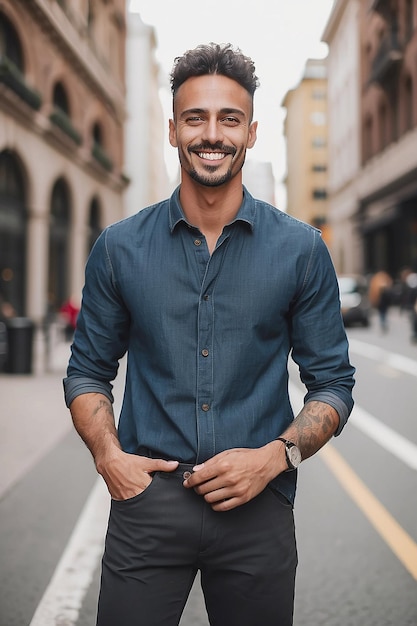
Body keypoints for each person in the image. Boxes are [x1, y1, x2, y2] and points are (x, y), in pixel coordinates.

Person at [64, 43, 355, 626]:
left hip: (258, 506)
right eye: (195, 118)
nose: (211, 134)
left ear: (250, 132)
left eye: (229, 118)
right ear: (173, 131)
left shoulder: (301, 250)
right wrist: (109, 459)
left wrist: (277, 458)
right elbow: (88, 371)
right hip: (147, 505)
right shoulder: (119, 248)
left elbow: (333, 385)